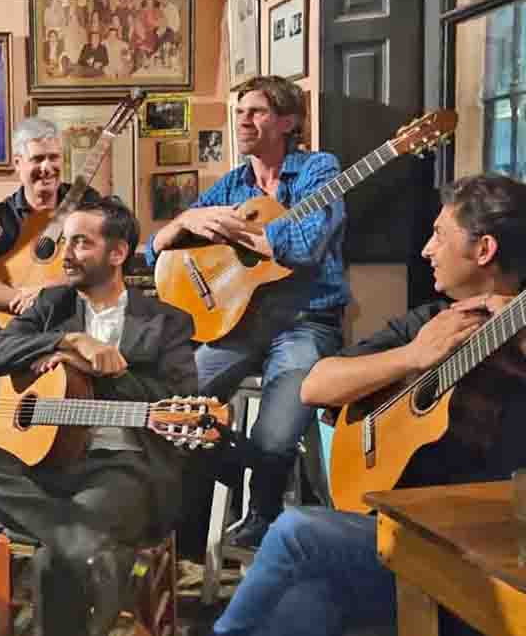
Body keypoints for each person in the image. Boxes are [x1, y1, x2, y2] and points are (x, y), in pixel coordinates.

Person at [211, 173, 526, 636]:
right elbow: (314, 386)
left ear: (484, 251)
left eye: (439, 235)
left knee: (297, 534)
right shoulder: (434, 321)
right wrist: (413, 356)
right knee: (304, 601)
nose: (425, 250)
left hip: (476, 566)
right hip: (404, 538)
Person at [0, 196, 200, 636]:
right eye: (65, 241)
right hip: (42, 464)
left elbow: (177, 399)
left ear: (116, 253)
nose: (66, 253)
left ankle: (73, 543)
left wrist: (101, 372)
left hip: (118, 469)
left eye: (81, 243)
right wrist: (67, 344)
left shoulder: (166, 322)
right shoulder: (52, 306)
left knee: (53, 560)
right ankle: (84, 543)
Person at [146, 75, 350, 549]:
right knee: (169, 406)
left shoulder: (320, 171)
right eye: (240, 111)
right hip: (237, 325)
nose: (243, 120)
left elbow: (303, 247)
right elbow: (160, 251)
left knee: (277, 436)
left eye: (256, 111)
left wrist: (245, 238)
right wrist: (185, 221)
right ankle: (243, 476)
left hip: (305, 324)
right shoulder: (234, 183)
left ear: (288, 121)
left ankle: (263, 509)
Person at [0, 116, 100, 317]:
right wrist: (21, 302)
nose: (47, 168)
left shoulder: (86, 201)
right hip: (21, 324)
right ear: (18, 163)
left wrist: (48, 292)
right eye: (37, 159)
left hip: (79, 315)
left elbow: (107, 257)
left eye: (53, 157)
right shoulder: (1, 216)